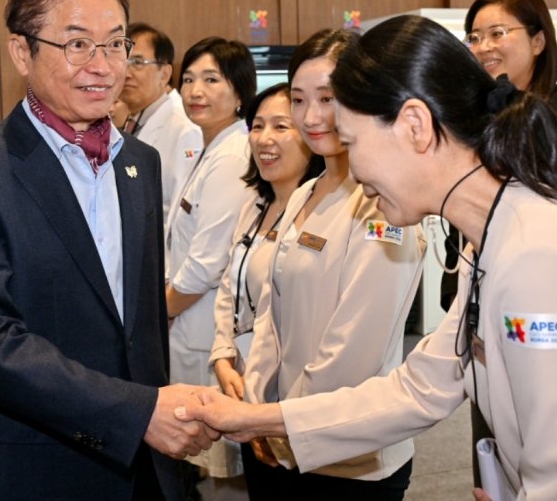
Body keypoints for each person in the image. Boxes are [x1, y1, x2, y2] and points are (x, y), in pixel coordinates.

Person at [177, 14, 557, 500]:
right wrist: (252, 418)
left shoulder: (541, 261)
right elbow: (418, 388)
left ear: (414, 125)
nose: (354, 168)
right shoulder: (494, 242)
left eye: (350, 141)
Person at [0, 0, 217, 500]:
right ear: (22, 52)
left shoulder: (140, 162)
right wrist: (136, 413)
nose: (104, 66)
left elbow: (142, 321)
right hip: (31, 467)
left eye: (115, 43)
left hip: (141, 467)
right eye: (77, 43)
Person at [440, 0, 557, 486]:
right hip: (478, 309)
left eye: (498, 32)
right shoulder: (469, 121)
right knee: (489, 447)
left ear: (538, 41)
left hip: (548, 314)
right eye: (474, 36)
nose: (483, 46)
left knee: (550, 448)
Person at [239, 29, 426, 500]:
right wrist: (258, 405)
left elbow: (352, 352)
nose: (312, 116)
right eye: (299, 100)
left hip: (346, 459)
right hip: (278, 439)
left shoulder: (387, 206)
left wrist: (284, 426)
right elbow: (271, 314)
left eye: (329, 97)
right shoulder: (306, 191)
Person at [208, 82, 323, 489]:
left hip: (296, 407)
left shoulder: (324, 215)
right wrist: (223, 356)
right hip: (245, 395)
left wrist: (268, 408)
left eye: (280, 127)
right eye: (257, 127)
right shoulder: (255, 206)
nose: (264, 139)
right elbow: (229, 288)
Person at [165, 36, 255, 482]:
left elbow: (205, 263)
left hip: (203, 323)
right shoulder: (208, 147)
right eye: (189, 80)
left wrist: (158, 313)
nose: (195, 91)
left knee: (217, 460)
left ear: (239, 92)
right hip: (189, 320)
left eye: (211, 79)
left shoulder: (233, 156)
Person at [113, 22, 202, 229]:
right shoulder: (132, 121)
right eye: (122, 61)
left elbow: (180, 215)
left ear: (164, 74)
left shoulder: (185, 130)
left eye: (137, 62)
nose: (126, 73)